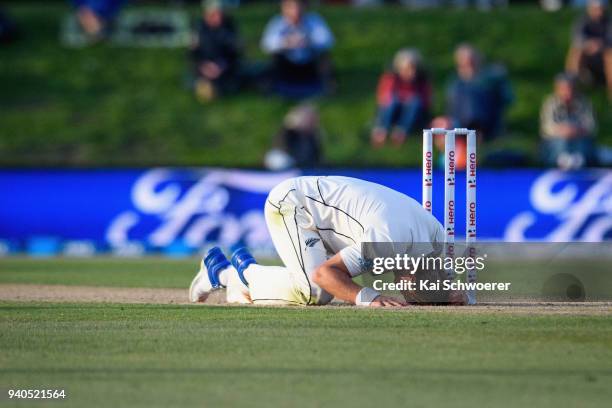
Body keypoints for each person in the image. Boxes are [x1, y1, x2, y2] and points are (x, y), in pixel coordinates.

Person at [189, 176, 461, 307]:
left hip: (330, 217)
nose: (408, 292)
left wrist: (445, 295)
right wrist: (369, 298)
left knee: (326, 284)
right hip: (294, 204)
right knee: (315, 291)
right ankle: (227, 274)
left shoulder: (435, 237)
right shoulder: (387, 241)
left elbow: (417, 287)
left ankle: (238, 280)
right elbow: (325, 274)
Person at [436, 44, 513, 141]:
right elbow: (451, 105)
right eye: (465, 62)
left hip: (488, 121)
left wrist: (500, 79)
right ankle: (472, 132)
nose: (469, 65)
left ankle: (475, 131)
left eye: (471, 61)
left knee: (475, 94)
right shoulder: (455, 82)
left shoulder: (492, 77)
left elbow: (507, 98)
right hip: (460, 122)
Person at [260, 0, 335, 99]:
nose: (295, 11)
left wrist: (308, 41)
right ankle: (274, 88)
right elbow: (266, 45)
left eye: (299, 7)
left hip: (310, 63)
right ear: (283, 9)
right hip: (287, 64)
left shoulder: (314, 20)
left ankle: (327, 86)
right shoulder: (277, 23)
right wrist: (286, 43)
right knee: (274, 57)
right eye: (291, 7)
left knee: (324, 55)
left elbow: (327, 40)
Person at [371, 48, 432, 148]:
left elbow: (426, 101)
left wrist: (409, 98)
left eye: (412, 68)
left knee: (415, 102)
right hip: (393, 110)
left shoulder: (421, 80)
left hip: (413, 113)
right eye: (405, 69)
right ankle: (381, 131)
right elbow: (384, 98)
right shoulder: (390, 77)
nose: (409, 72)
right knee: (393, 101)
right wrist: (403, 97)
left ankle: (400, 133)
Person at [540, 73, 597, 169]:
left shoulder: (585, 102)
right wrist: (562, 131)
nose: (568, 92)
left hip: (579, 138)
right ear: (557, 89)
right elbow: (546, 128)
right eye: (564, 89)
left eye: (571, 88)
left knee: (583, 143)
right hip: (556, 141)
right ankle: (561, 163)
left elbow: (592, 127)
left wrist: (576, 131)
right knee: (561, 142)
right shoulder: (550, 103)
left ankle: (579, 163)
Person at [190, 0, 242, 102]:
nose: (217, 17)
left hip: (224, 67)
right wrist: (203, 66)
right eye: (213, 14)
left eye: (219, 13)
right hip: (205, 66)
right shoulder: (198, 29)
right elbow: (193, 53)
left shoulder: (230, 27)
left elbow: (235, 53)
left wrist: (222, 65)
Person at [566, 0, 612, 97]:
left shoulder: (609, 22)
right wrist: (589, 44)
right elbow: (577, 37)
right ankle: (571, 88)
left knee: (609, 55)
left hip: (604, 58)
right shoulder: (582, 21)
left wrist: (601, 45)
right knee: (576, 51)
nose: (598, 11)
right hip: (588, 58)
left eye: (600, 9)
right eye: (595, 9)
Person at [264, 104, 323, 170]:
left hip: (302, 164)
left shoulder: (312, 135)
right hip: (288, 161)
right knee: (279, 159)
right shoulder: (288, 132)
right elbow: (283, 148)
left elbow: (317, 155)